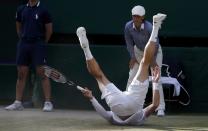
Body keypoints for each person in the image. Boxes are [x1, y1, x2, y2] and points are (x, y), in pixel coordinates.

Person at [76, 13, 167, 125]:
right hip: (117, 103)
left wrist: (155, 82)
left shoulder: (139, 118)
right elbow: (104, 113)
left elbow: (154, 105)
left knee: (144, 63)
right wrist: (91, 98)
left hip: (134, 102)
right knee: (99, 76)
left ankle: (156, 26)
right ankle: (86, 50)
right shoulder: (113, 119)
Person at [5, 0, 53, 111]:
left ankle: (48, 103)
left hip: (38, 44)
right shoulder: (21, 9)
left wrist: (41, 43)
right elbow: (18, 27)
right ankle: (17, 103)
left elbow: (49, 30)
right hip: (24, 44)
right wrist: (23, 39)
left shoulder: (44, 10)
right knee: (21, 74)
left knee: (43, 73)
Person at [124, 5, 165, 116]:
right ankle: (126, 103)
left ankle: (160, 107)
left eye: (138, 16)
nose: (135, 18)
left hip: (154, 52)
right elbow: (128, 42)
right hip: (138, 52)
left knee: (156, 77)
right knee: (132, 75)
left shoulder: (149, 27)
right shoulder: (128, 26)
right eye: (134, 16)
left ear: (142, 17)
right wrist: (132, 56)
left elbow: (155, 44)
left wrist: (152, 59)